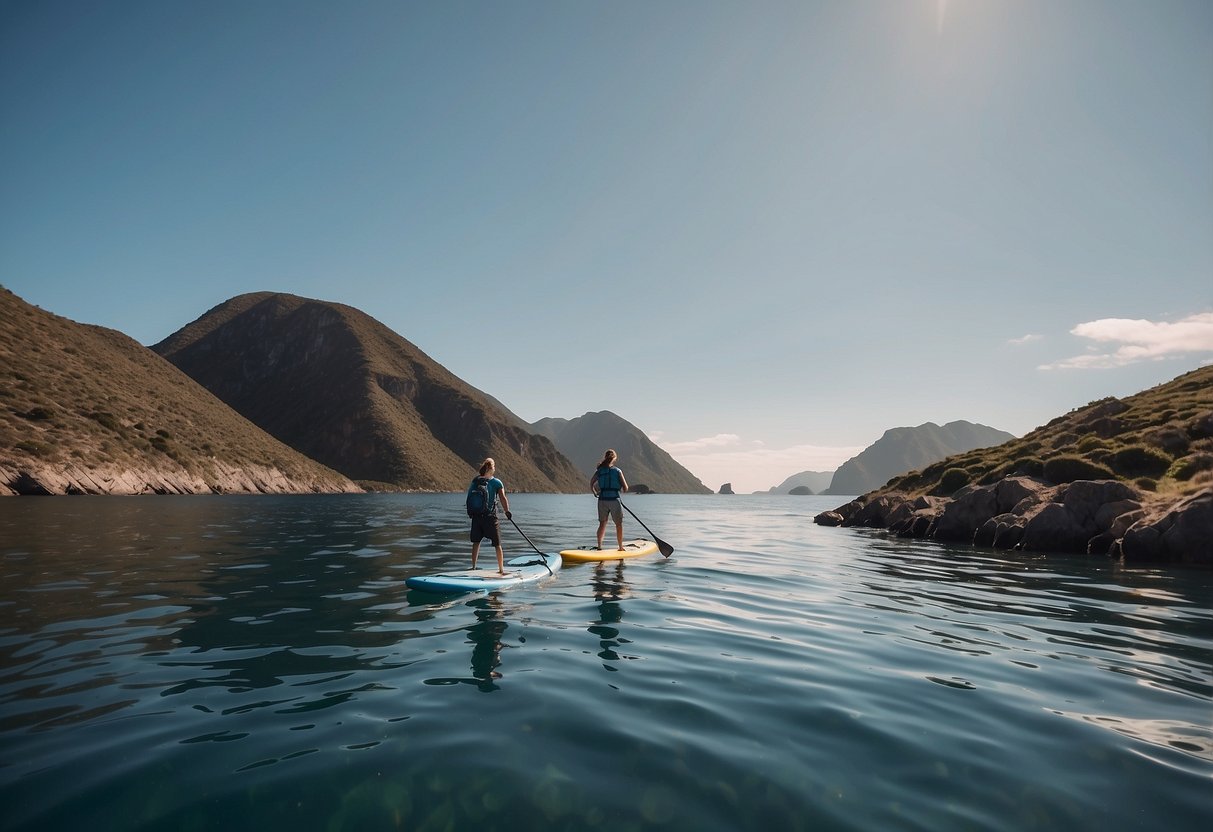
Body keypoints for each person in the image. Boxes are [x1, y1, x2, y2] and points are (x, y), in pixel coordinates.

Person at [468, 458, 511, 575]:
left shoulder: (476, 480)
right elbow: (502, 498)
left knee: (476, 542)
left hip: (476, 517)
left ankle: (473, 567)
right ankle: (501, 570)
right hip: (490, 517)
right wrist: (507, 511)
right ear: (491, 468)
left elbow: (469, 496)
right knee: (497, 544)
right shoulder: (497, 482)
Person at [590, 449, 629, 551]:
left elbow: (591, 483)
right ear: (614, 458)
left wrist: (594, 492)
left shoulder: (599, 471)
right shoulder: (617, 471)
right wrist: (621, 488)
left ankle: (599, 546)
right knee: (619, 524)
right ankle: (620, 547)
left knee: (602, 523)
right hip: (614, 500)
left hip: (602, 500)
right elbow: (626, 488)